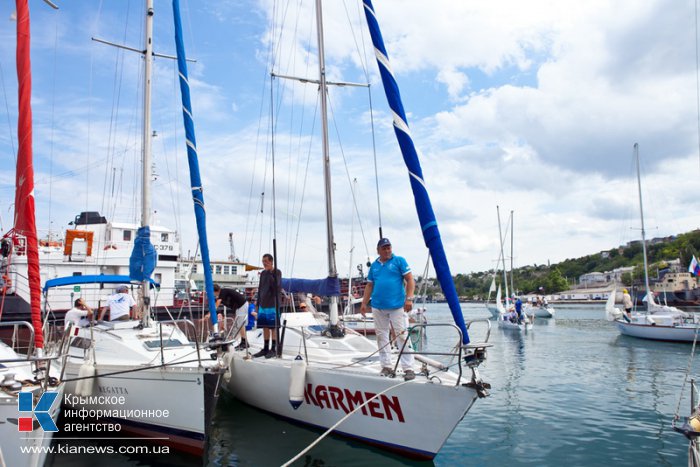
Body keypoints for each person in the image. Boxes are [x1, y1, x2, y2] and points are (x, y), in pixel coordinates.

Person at [360, 238, 416, 381]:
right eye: (384, 248)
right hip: (378, 306)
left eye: (389, 247)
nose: (387, 250)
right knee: (381, 336)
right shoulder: (374, 266)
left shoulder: (399, 261)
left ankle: (408, 368)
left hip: (397, 306)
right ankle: (386, 366)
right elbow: (369, 286)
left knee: (402, 335)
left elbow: (410, 279)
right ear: (378, 250)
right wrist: (364, 303)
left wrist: (409, 298)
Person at [253, 253, 282, 359]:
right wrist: (257, 303)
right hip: (263, 305)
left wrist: (270, 273)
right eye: (263, 261)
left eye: (266, 261)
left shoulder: (277, 272)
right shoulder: (262, 273)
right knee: (264, 326)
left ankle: (273, 349)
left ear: (271, 261)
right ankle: (265, 348)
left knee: (273, 327)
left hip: (272, 304)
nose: (264, 263)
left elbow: (276, 287)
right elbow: (260, 289)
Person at [213, 284, 248, 350]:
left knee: (240, 325)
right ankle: (244, 342)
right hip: (239, 307)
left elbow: (218, 302)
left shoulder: (222, 292)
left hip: (242, 305)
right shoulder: (222, 294)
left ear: (215, 291)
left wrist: (211, 311)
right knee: (239, 325)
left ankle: (244, 343)